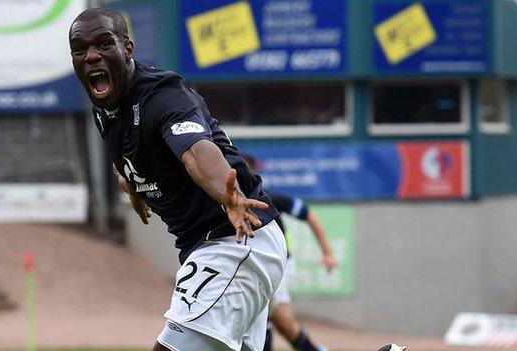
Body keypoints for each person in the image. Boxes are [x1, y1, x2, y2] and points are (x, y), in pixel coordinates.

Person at [69, 8, 287, 351]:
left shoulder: (163, 95)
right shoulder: (106, 109)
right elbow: (125, 157)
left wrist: (227, 195)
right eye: (79, 49)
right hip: (209, 246)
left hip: (236, 238)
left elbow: (196, 152)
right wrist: (134, 186)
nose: (91, 55)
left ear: (128, 49)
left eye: (103, 44)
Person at [241, 154, 337, 351]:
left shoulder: (270, 199)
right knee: (285, 325)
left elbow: (310, 216)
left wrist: (328, 253)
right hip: (255, 266)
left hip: (281, 266)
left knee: (262, 311)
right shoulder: (226, 204)